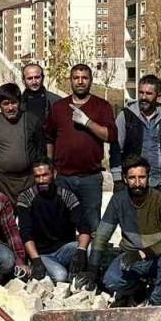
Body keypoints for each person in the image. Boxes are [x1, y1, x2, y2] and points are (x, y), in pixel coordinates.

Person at [89, 157, 161, 307]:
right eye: (132, 178)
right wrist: (92, 269)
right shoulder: (118, 200)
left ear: (148, 177)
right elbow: (101, 235)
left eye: (142, 177)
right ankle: (138, 287)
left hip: (157, 255)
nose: (138, 183)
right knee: (110, 281)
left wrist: (143, 253)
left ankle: (155, 300)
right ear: (125, 179)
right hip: (130, 256)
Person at [44, 64, 116, 242]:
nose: (80, 81)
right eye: (76, 78)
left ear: (90, 80)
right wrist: (50, 166)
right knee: (62, 223)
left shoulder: (102, 106)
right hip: (63, 177)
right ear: (71, 80)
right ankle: (67, 256)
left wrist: (88, 122)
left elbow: (110, 136)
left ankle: (92, 258)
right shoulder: (59, 107)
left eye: (84, 78)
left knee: (93, 226)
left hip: (90, 178)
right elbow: (49, 138)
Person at [16, 160, 91, 283]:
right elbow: (25, 232)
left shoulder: (67, 195)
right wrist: (36, 260)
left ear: (54, 174)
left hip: (64, 248)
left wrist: (81, 251)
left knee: (89, 248)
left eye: (45, 175)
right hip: (41, 254)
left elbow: (84, 227)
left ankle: (84, 275)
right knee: (61, 276)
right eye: (37, 176)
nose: (41, 180)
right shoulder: (25, 198)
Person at [110, 74, 161, 203]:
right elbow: (116, 149)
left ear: (158, 95)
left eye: (149, 93)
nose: (143, 97)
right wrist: (117, 179)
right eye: (141, 92)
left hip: (159, 183)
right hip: (133, 184)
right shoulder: (126, 116)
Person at [0, 83, 45, 200]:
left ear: (19, 102)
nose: (10, 108)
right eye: (5, 104)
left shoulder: (32, 121)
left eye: (14, 102)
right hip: (1, 183)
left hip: (28, 181)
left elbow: (40, 150)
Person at [19, 62, 59, 138]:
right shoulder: (17, 104)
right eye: (30, 78)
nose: (34, 82)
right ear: (23, 80)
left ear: (43, 78)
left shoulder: (56, 101)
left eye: (37, 77)